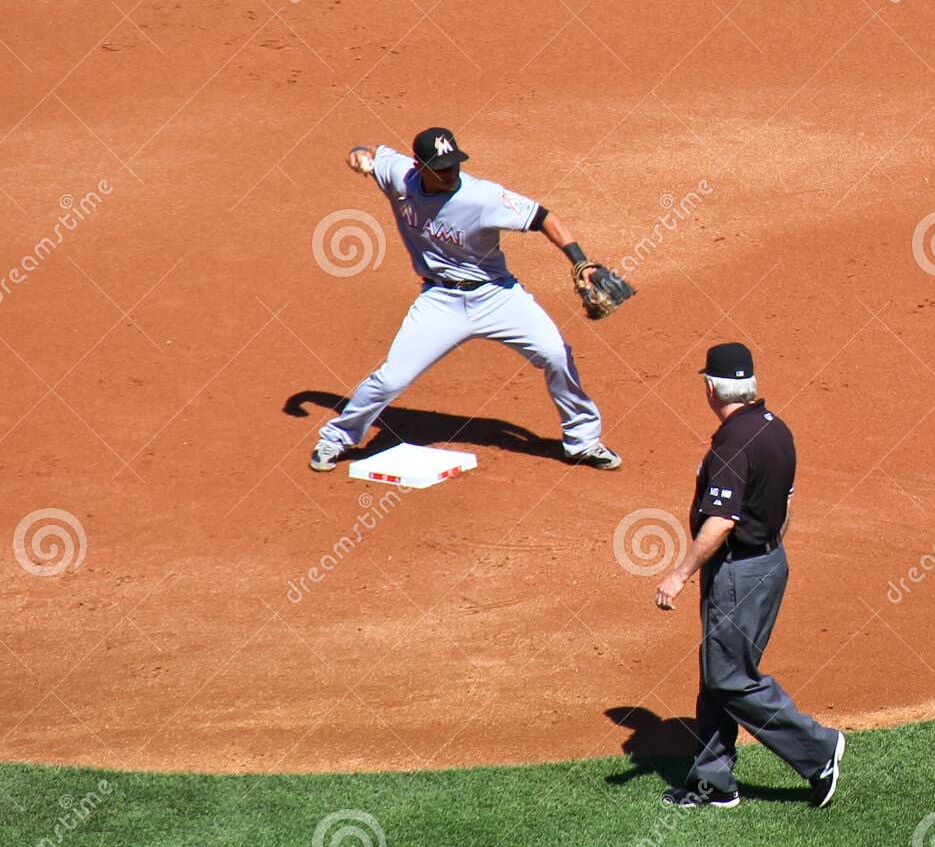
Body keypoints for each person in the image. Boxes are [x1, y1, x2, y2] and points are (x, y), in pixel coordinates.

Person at [309, 126, 621, 472]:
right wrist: (359, 151)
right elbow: (372, 150)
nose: (450, 172)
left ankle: (582, 441)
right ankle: (335, 438)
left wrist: (580, 261)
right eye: (441, 168)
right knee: (393, 378)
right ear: (419, 167)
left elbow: (543, 217)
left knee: (555, 354)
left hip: (497, 295)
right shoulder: (399, 176)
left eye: (454, 164)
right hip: (439, 300)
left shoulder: (482, 197)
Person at [653, 342, 846, 808]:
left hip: (739, 572)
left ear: (710, 388)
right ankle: (713, 783)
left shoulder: (732, 440)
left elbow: (721, 520)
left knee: (729, 679)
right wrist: (769, 550)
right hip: (767, 563)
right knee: (719, 672)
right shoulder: (775, 428)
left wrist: (679, 575)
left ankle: (818, 749)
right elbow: (787, 502)